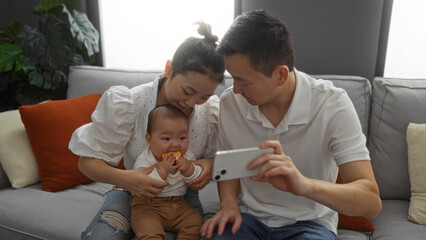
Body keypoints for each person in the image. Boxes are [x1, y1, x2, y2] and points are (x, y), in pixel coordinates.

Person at [200, 10, 382, 240]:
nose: (235, 89)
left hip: (310, 224)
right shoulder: (231, 102)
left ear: (281, 76)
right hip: (248, 220)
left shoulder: (331, 105)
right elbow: (229, 165)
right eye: (232, 78)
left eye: (243, 81)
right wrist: (228, 204)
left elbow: (371, 203)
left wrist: (303, 185)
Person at [69, 21, 225, 240]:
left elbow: (227, 159)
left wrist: (209, 163)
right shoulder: (129, 103)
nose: (192, 103)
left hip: (181, 198)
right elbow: (85, 163)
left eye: (204, 96)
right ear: (169, 69)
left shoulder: (210, 113)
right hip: (129, 191)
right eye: (187, 91)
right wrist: (128, 179)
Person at [131, 104, 203, 239]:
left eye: (182, 138)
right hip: (148, 206)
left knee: (196, 223)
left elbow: (196, 179)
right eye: (166, 139)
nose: (175, 144)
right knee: (149, 232)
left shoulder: (187, 156)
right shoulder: (145, 159)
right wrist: (162, 170)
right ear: (149, 140)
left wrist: (189, 169)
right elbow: (143, 186)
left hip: (179, 205)